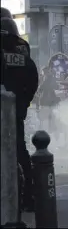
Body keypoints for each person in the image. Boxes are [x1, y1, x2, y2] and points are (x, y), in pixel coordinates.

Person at [1, 12, 39, 212]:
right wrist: (24, 103)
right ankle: (28, 196)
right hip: (16, 111)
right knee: (19, 152)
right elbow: (33, 82)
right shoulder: (24, 56)